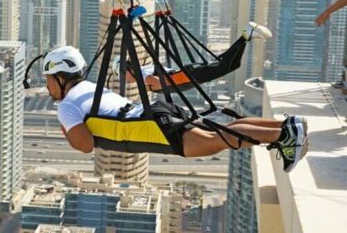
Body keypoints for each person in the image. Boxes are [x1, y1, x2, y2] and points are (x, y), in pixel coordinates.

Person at [44, 46, 308, 172]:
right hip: (157, 114)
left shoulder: (67, 106)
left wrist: (65, 129)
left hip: (153, 128)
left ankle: (283, 136)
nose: (47, 87)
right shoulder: (90, 87)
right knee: (221, 131)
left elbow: (85, 145)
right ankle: (285, 127)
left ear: (59, 77)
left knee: (219, 140)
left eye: (48, 80)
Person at [113, 22, 272, 91]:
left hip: (189, 76)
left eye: (122, 75)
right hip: (189, 75)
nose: (125, 80)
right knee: (228, 64)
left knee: (225, 65)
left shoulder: (143, 75)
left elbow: (159, 83)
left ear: (128, 70)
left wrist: (150, 86)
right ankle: (246, 37)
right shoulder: (142, 71)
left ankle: (246, 35)